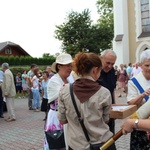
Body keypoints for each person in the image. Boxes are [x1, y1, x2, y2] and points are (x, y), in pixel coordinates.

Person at [57, 52, 116, 150]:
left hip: (76, 145)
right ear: (95, 70)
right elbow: (106, 120)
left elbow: (62, 120)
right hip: (101, 144)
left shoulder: (64, 90)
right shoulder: (104, 93)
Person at [44, 53, 73, 150]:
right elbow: (64, 94)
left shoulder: (69, 79)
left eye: (71, 65)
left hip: (68, 117)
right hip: (56, 118)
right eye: (67, 65)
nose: (70, 68)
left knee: (67, 144)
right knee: (57, 144)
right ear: (59, 66)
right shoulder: (54, 80)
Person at [127, 49, 150, 149]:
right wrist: (142, 95)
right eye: (147, 65)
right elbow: (131, 103)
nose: (149, 68)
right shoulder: (134, 82)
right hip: (140, 126)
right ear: (140, 65)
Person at [97, 49, 117, 134]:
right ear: (101, 59)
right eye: (108, 63)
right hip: (99, 113)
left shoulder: (112, 71)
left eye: (112, 64)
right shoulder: (95, 72)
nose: (110, 66)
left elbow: (112, 90)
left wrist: (115, 107)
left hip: (110, 111)